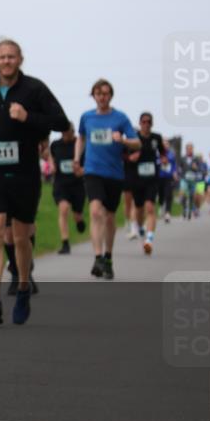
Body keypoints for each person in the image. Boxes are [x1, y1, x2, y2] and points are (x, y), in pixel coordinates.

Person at [0, 39, 68, 325]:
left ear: (20, 59)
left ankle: (23, 285)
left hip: (25, 171)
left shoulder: (34, 88)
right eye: (1, 57)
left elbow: (61, 122)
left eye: (11, 57)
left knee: (21, 237)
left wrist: (28, 117)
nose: (6, 61)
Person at [75, 79, 141, 280]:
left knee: (110, 218)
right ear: (93, 96)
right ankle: (97, 257)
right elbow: (81, 138)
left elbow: (137, 143)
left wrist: (124, 140)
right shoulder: (86, 117)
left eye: (105, 93)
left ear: (110, 96)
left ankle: (108, 257)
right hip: (93, 171)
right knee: (95, 211)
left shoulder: (120, 118)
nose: (102, 97)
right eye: (98, 93)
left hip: (114, 173)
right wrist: (77, 158)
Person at [126, 113, 165, 255]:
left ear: (152, 123)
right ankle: (141, 227)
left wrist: (164, 158)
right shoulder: (134, 138)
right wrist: (131, 158)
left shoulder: (156, 138)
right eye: (144, 122)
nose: (146, 124)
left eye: (149, 122)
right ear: (140, 123)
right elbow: (124, 155)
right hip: (137, 179)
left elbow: (163, 152)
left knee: (150, 207)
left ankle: (149, 240)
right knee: (139, 208)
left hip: (152, 179)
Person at [47, 124, 87, 255]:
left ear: (73, 132)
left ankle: (79, 220)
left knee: (77, 215)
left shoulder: (80, 144)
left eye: (68, 132)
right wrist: (52, 165)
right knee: (63, 209)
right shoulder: (56, 145)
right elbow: (50, 156)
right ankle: (65, 243)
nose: (65, 135)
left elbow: (89, 162)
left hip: (77, 184)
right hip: (61, 183)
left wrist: (82, 170)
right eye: (63, 132)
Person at [177, 143, 204, 220]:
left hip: (193, 179)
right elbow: (179, 167)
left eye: (191, 149)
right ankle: (184, 208)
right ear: (186, 150)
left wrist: (196, 168)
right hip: (184, 178)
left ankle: (190, 210)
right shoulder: (182, 158)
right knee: (183, 193)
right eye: (188, 149)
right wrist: (178, 173)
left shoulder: (196, 159)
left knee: (192, 195)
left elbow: (200, 169)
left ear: (192, 149)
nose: (189, 150)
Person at [157, 141, 176, 224]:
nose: (165, 146)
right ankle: (161, 205)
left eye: (167, 144)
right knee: (161, 193)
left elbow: (173, 164)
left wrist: (175, 173)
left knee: (168, 194)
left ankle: (168, 213)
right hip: (160, 176)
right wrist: (161, 161)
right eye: (164, 144)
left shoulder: (171, 154)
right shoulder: (157, 153)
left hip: (169, 177)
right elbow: (156, 161)